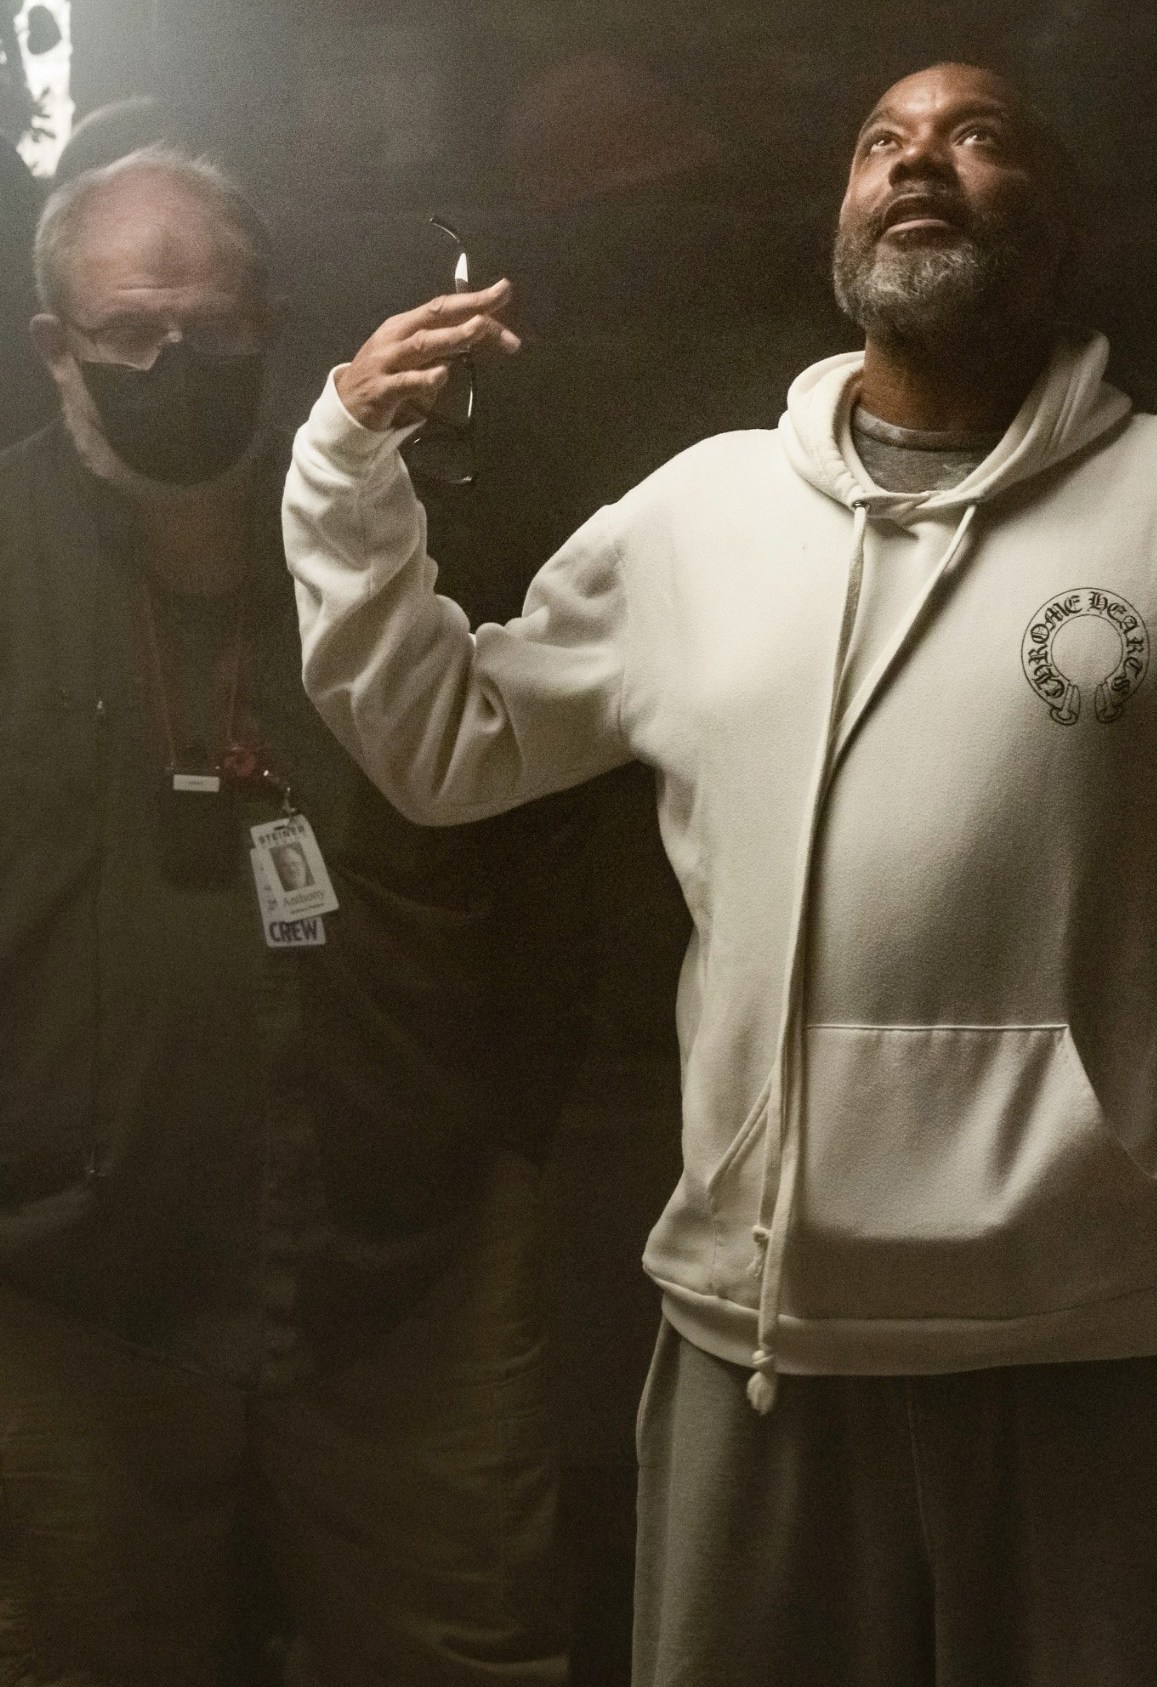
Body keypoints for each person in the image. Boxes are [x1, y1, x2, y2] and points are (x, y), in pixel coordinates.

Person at [282, 59, 1157, 1687]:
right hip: (766, 1340)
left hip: (1100, 1339)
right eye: (882, 143)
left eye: (974, 136)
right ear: (841, 221)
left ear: (1060, 225)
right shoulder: (696, 520)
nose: (918, 163)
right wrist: (342, 469)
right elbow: (442, 742)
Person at [0, 149, 573, 1687]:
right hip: (66, 1284)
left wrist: (512, 1134)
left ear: (274, 322)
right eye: (128, 334)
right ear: (58, 346)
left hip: (410, 1251)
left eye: (211, 325)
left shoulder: (409, 535)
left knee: (469, 1651)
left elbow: (549, 862)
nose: (171, 364)